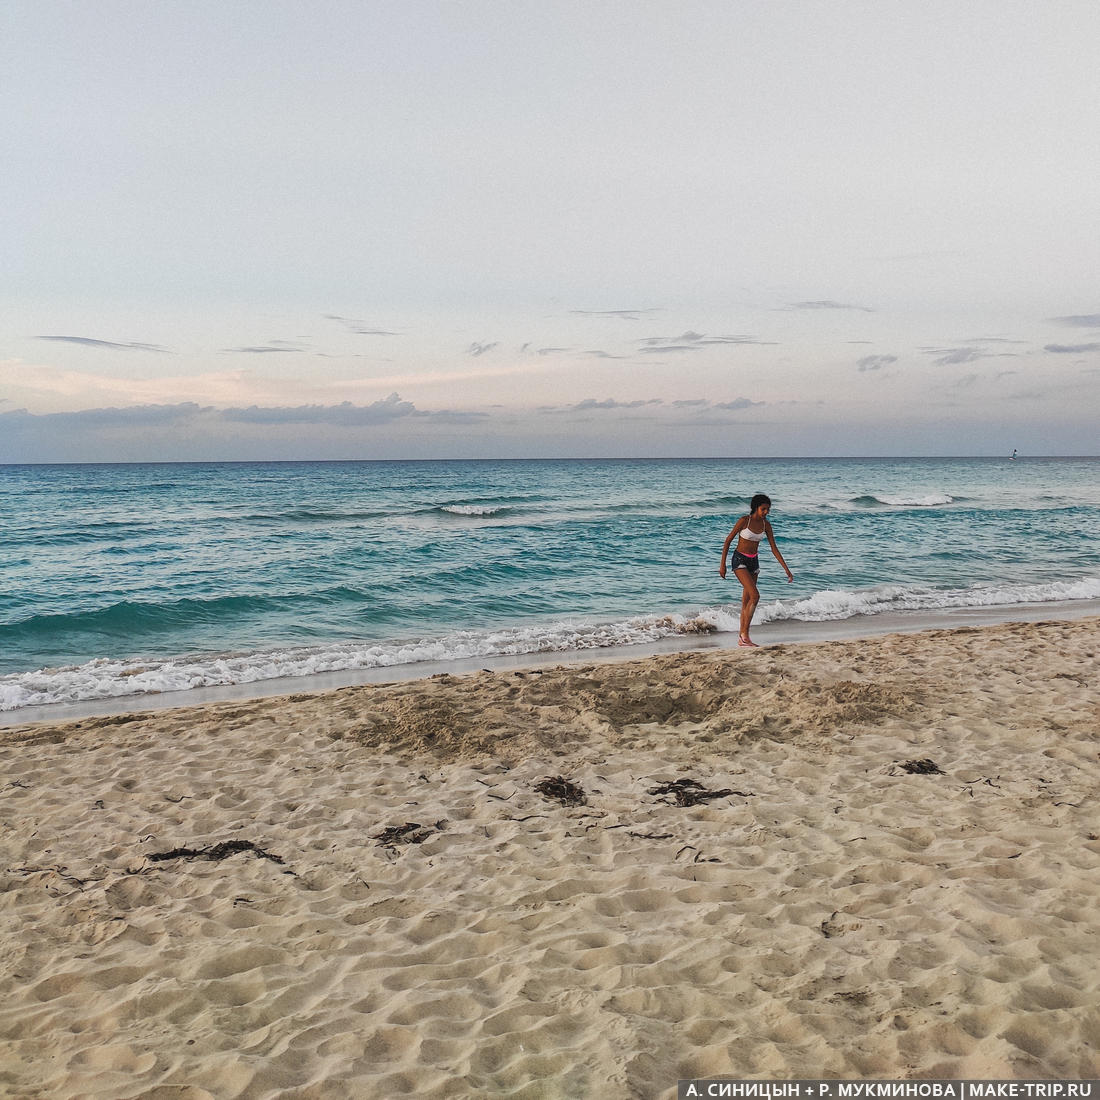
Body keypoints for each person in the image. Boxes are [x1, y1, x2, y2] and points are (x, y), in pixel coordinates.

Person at [719, 493, 793, 647]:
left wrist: (786, 569)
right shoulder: (744, 521)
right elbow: (727, 541)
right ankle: (744, 635)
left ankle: (743, 637)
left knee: (747, 601)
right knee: (755, 596)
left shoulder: (766, 525)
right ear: (756, 508)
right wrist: (722, 565)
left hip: (754, 562)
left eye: (768, 509)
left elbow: (774, 548)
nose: (766, 512)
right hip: (739, 560)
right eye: (763, 509)